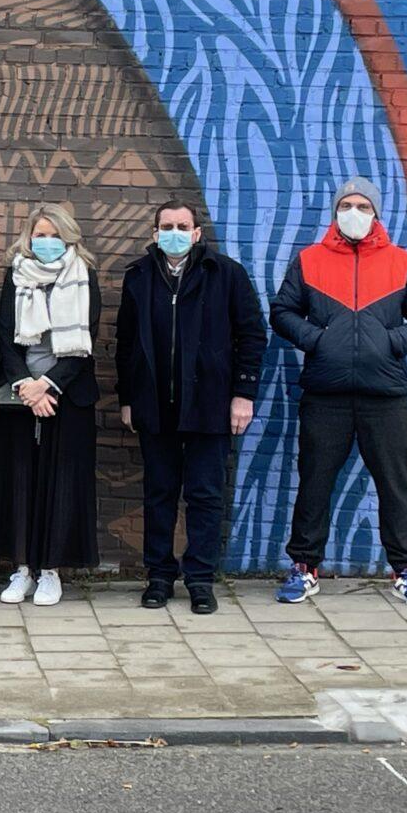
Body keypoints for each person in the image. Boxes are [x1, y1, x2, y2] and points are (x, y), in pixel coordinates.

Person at [269, 175, 407, 608]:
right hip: (325, 394)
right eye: (347, 205)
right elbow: (283, 312)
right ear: (335, 211)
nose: (355, 213)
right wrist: (318, 339)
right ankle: (304, 567)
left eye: (364, 206)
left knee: (395, 485)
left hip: (385, 396)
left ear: (377, 213)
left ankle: (405, 570)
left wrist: (392, 340)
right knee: (315, 482)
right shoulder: (309, 260)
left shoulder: (402, 263)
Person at [115, 201, 267, 615]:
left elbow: (252, 336)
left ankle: (200, 578)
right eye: (167, 226)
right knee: (159, 493)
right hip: (154, 405)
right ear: (155, 232)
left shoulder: (226, 274)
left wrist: (243, 394)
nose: (175, 233)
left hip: (210, 404)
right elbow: (125, 343)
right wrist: (127, 397)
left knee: (204, 494)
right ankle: (159, 576)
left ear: (197, 233)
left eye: (183, 226)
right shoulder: (139, 277)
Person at [0, 204, 100, 606]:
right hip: (21, 397)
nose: (46, 241)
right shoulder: (16, 275)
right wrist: (26, 385)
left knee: (61, 483)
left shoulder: (84, 276)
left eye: (54, 235)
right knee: (19, 482)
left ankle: (50, 571)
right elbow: (4, 335)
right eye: (40, 234)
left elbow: (86, 341)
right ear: (28, 237)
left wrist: (48, 387)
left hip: (67, 397)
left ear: (68, 237)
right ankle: (21, 570)